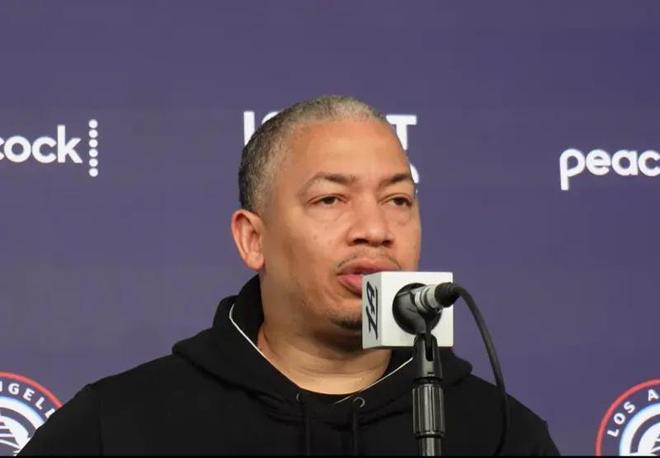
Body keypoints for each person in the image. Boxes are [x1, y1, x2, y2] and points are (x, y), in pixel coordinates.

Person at [20, 95, 559, 456]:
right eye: (331, 199)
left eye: (398, 199)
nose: (375, 229)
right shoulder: (119, 426)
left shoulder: (503, 436)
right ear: (253, 239)